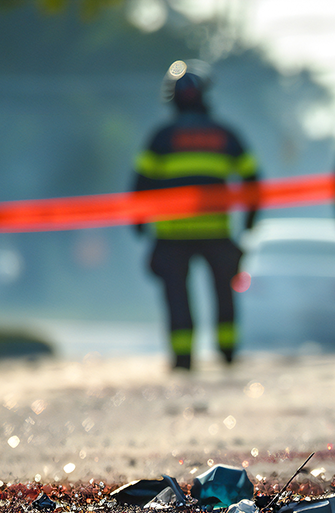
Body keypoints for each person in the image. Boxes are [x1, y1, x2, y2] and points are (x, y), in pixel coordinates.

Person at [133, 60, 259, 370]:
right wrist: (250, 218)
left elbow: (141, 185)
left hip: (171, 235)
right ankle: (227, 351)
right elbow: (252, 179)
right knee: (223, 293)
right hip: (216, 232)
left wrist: (138, 223)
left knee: (177, 297)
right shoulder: (225, 135)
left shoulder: (161, 138)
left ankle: (183, 357)